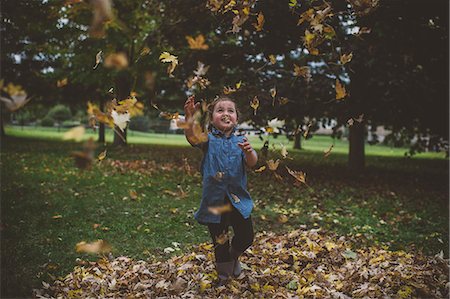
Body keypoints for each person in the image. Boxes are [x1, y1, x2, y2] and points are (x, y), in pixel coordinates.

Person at [183, 95, 257, 285]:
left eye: (230, 110)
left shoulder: (242, 140)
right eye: (220, 110)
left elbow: (252, 163)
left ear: (237, 118)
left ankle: (234, 257)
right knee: (220, 240)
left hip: (237, 200)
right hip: (215, 200)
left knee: (246, 236)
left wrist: (249, 152)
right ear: (212, 117)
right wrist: (189, 116)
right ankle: (224, 278)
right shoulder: (208, 140)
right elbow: (192, 137)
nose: (225, 113)